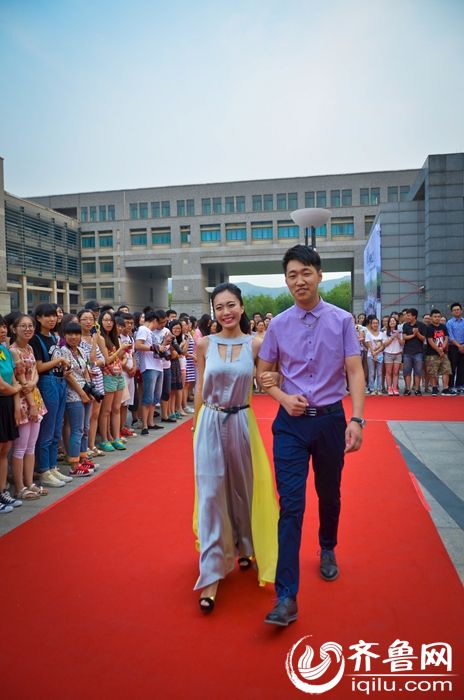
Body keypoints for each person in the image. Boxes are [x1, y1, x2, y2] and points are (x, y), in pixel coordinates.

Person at [257, 245, 365, 627]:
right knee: (291, 505)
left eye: (306, 273)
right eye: (292, 275)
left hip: (331, 420)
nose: (299, 281)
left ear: (319, 275)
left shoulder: (341, 320)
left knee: (329, 493)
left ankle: (327, 546)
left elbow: (355, 370)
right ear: (286, 281)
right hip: (290, 425)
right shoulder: (278, 325)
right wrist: (282, 397)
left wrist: (357, 419)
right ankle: (286, 596)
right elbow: (263, 374)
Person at [192, 283, 278, 614]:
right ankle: (212, 572)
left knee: (243, 489)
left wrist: (275, 380)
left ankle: (245, 546)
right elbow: (200, 387)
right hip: (210, 422)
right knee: (211, 494)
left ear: (241, 307)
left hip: (241, 421)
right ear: (213, 312)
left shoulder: (257, 344)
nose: (225, 312)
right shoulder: (204, 344)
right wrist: (195, 425)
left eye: (231, 305)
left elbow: (269, 380)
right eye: (219, 307)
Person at [30, 303, 71, 488]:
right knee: (47, 430)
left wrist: (63, 366)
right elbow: (38, 367)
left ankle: (53, 466)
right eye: (47, 316)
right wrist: (59, 360)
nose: (52, 319)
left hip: (60, 381)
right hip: (47, 383)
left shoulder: (54, 337)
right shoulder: (36, 339)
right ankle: (44, 470)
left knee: (56, 428)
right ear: (38, 318)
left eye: (54, 315)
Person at [9, 315, 49, 499]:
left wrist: (33, 382)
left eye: (30, 326)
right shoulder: (13, 351)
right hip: (24, 402)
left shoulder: (30, 347)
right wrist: (32, 404)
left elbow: (33, 373)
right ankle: (19, 487)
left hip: (35, 397)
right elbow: (21, 380)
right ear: (14, 329)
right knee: (20, 447)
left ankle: (30, 482)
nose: (28, 329)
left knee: (31, 446)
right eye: (23, 326)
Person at [0, 315, 23, 513]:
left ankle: (2, 491)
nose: (2, 330)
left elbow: (14, 379)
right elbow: (2, 386)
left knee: (5, 449)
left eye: (3, 326)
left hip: (7, 403)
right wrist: (17, 389)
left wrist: (16, 405)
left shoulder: (5, 351)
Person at [426, 309, 454, 395]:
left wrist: (442, 348)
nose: (437, 318)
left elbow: (446, 338)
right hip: (432, 353)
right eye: (435, 316)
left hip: (443, 353)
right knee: (433, 371)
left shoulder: (443, 327)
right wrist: (438, 350)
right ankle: (434, 387)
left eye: (438, 316)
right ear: (431, 318)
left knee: (446, 370)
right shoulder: (429, 328)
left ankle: (445, 388)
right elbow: (430, 340)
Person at [402, 308, 427, 396]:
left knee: (418, 371)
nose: (407, 317)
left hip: (418, 352)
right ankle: (407, 389)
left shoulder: (422, 325)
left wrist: (418, 333)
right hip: (407, 352)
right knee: (407, 371)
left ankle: (417, 389)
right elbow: (404, 337)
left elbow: (423, 338)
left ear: (414, 316)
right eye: (406, 315)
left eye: (408, 315)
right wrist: (413, 335)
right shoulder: (405, 325)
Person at [383, 315, 404, 395]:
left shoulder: (400, 332)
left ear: (396, 322)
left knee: (396, 372)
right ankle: (389, 387)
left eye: (394, 321)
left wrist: (398, 337)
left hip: (398, 354)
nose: (392, 322)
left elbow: (402, 344)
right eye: (390, 321)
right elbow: (385, 344)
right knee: (388, 372)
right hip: (388, 354)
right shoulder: (385, 332)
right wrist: (392, 337)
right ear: (388, 323)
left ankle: (395, 387)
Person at [364, 317, 385, 395]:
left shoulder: (382, 334)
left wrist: (377, 353)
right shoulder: (368, 334)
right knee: (371, 372)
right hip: (370, 355)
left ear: (378, 324)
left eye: (376, 323)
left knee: (379, 372)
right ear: (371, 324)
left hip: (380, 356)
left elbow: (383, 345)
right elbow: (369, 345)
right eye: (373, 323)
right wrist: (373, 354)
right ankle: (371, 389)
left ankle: (379, 389)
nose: (375, 324)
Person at [447, 302, 464, 393]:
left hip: (463, 346)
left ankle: (460, 385)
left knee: (462, 367)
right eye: (454, 310)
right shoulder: (449, 323)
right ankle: (451, 386)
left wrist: (463, 346)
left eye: (458, 309)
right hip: (453, 347)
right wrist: (459, 346)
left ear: (461, 310)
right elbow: (450, 336)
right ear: (452, 312)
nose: (456, 311)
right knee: (452, 367)